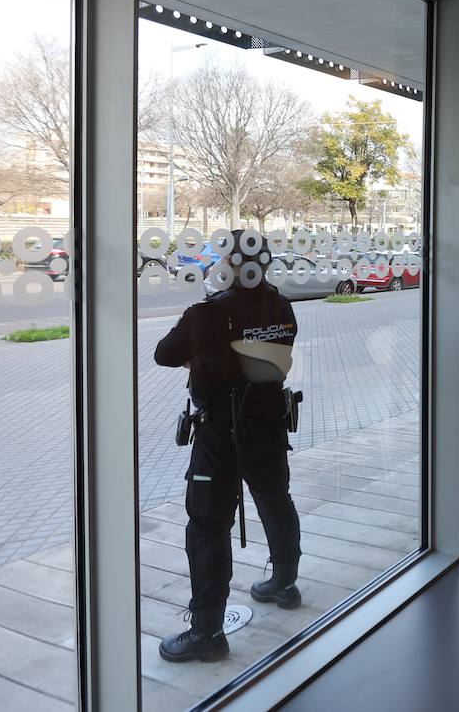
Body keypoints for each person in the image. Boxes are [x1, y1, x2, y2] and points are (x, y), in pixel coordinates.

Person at [155, 229, 302, 663]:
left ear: (228, 264)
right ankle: (285, 584)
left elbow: (165, 353)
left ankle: (206, 632)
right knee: (276, 499)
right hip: (270, 423)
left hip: (221, 431)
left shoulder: (208, 313)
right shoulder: (281, 305)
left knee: (207, 526)